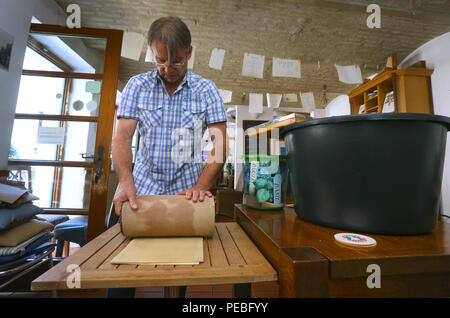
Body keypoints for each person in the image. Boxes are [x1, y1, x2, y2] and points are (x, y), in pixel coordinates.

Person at [108, 16, 227, 298]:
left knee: (177, 273)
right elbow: (122, 138)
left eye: (176, 62)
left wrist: (201, 186)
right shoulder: (137, 86)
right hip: (141, 191)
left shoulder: (206, 90)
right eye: (160, 60)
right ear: (152, 53)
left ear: (189, 53)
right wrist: (125, 181)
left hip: (185, 196)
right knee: (121, 275)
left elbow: (219, 146)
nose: (167, 69)